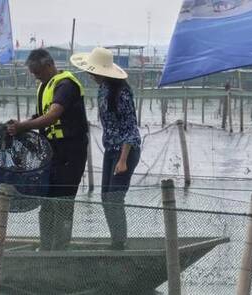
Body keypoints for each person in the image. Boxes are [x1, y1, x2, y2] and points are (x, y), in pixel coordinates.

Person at [7, 49, 88, 251]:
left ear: (49, 65)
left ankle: (60, 249)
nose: (36, 76)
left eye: (38, 72)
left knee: (63, 201)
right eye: (33, 73)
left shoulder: (65, 85)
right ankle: (46, 247)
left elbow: (52, 116)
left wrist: (23, 126)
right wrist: (20, 125)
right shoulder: (45, 86)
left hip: (70, 151)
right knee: (47, 202)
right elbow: (40, 115)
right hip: (52, 151)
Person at [70, 47, 142, 250]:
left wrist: (123, 160)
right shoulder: (103, 89)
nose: (91, 75)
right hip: (111, 148)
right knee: (106, 197)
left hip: (126, 150)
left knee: (115, 197)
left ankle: (120, 243)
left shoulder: (123, 93)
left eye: (94, 71)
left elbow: (130, 127)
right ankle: (117, 240)